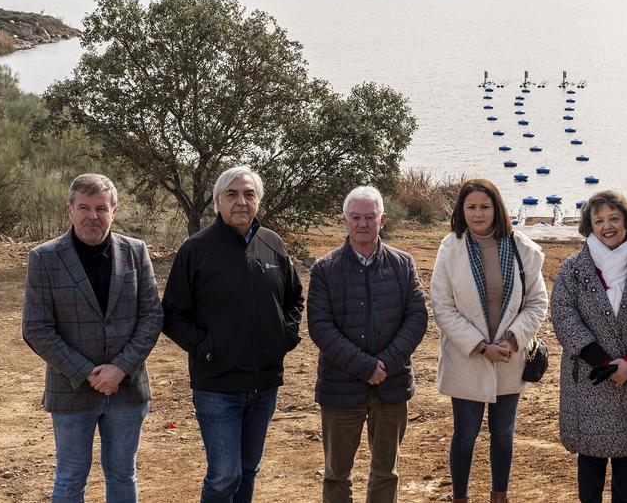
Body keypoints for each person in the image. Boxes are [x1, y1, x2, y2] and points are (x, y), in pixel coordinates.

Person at [161, 166, 304, 503]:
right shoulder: (196, 250)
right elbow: (172, 314)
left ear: (258, 201)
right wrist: (207, 349)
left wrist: (285, 337)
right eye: (232, 194)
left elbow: (294, 297)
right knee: (225, 475)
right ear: (217, 202)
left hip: (264, 383)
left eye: (249, 194)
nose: (241, 201)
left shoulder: (273, 243)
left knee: (248, 469)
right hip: (217, 385)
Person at [22, 173, 163, 503]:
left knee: (123, 474)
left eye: (101, 208)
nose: (92, 216)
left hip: (127, 389)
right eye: (84, 207)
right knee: (70, 477)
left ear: (114, 210)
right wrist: (87, 372)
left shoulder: (135, 252)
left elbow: (152, 316)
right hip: (71, 390)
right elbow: (36, 328)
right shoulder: (44, 258)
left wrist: (120, 368)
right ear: (69, 209)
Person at [430, 178, 549, 503]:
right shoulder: (449, 248)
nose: (478, 214)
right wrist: (481, 345)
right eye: (471, 207)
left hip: (510, 358)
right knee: (465, 435)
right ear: (462, 210)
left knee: (503, 434)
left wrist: (513, 339)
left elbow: (537, 302)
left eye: (485, 206)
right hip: (467, 358)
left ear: (497, 208)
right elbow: (442, 306)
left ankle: (500, 496)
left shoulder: (521, 247)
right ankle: (460, 498)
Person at [307, 186, 428, 503]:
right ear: (345, 220)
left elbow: (416, 319)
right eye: (356, 217)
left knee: (386, 472)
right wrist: (365, 367)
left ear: (382, 220)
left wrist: (384, 365)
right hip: (340, 387)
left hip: (392, 385)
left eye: (369, 217)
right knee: (336, 475)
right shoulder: (324, 269)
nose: (363, 224)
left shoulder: (403, 264)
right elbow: (320, 327)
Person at [550, 190, 627, 503]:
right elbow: (563, 316)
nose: (607, 226)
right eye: (599, 220)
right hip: (590, 379)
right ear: (589, 226)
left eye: (614, 218)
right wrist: (602, 362)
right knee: (590, 460)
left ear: (626, 221)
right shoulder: (572, 269)